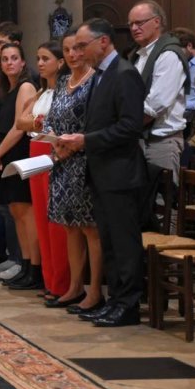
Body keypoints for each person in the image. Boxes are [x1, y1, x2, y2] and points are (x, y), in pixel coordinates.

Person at [56, 18, 147, 327]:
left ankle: (129, 305)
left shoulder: (124, 74)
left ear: (104, 42)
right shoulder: (100, 75)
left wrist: (86, 141)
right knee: (109, 242)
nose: (79, 52)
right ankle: (113, 301)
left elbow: (130, 126)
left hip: (120, 173)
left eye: (83, 45)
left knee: (123, 243)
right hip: (101, 171)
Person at [45, 32, 104, 314]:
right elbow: (52, 121)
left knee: (89, 228)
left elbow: (97, 121)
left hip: (84, 161)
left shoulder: (94, 81)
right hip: (61, 162)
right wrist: (55, 143)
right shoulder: (61, 84)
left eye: (78, 48)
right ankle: (74, 286)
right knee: (69, 226)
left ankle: (95, 291)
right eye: (67, 50)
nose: (72, 55)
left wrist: (71, 147)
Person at [15, 41, 71, 301]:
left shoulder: (64, 91)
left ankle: (62, 283)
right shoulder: (40, 92)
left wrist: (36, 122)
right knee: (40, 217)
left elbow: (45, 123)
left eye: (45, 58)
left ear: (60, 63)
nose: (39, 63)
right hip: (35, 151)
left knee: (55, 220)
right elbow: (21, 121)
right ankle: (49, 281)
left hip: (50, 153)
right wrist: (38, 121)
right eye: (37, 58)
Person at [0, 43, 42, 290]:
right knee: (17, 212)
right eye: (5, 59)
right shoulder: (6, 89)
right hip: (7, 153)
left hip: (19, 152)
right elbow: (3, 125)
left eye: (14, 58)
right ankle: (26, 264)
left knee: (26, 213)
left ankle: (35, 269)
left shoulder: (26, 86)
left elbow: (20, 128)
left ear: (22, 62)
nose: (9, 63)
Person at [128, 0, 187, 190]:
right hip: (139, 139)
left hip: (161, 141)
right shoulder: (138, 55)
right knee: (142, 206)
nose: (134, 28)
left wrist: (123, 126)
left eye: (139, 22)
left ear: (157, 21)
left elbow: (155, 105)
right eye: (131, 24)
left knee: (163, 205)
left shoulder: (169, 54)